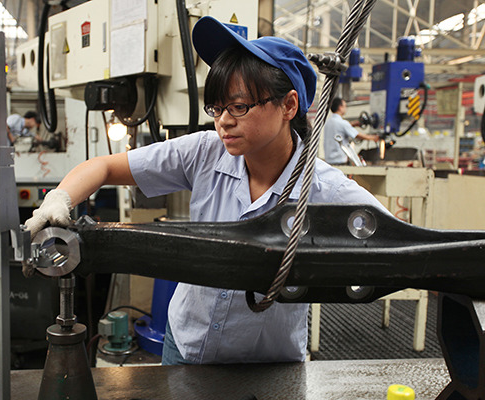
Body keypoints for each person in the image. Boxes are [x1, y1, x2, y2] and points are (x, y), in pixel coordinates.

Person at [25, 16, 388, 365]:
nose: (224, 121)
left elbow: (395, 249)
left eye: (240, 106)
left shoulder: (324, 188)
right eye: (217, 107)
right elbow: (102, 167)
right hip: (187, 348)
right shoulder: (203, 152)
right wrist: (59, 198)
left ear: (288, 105)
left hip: (269, 364)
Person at [323, 97, 379, 165]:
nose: (346, 109)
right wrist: (373, 138)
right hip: (340, 160)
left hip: (329, 160)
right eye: (345, 106)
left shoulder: (328, 122)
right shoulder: (342, 123)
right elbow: (357, 135)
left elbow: (341, 127)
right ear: (340, 107)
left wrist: (354, 124)